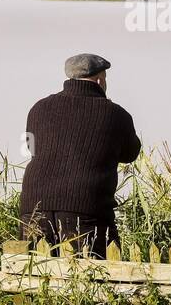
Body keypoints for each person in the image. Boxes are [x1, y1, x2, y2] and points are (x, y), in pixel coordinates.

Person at [19, 53, 141, 258]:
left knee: (34, 276)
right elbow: (131, 153)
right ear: (100, 80)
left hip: (34, 207)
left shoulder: (38, 108)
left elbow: (31, 148)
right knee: (92, 279)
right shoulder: (115, 114)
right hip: (84, 208)